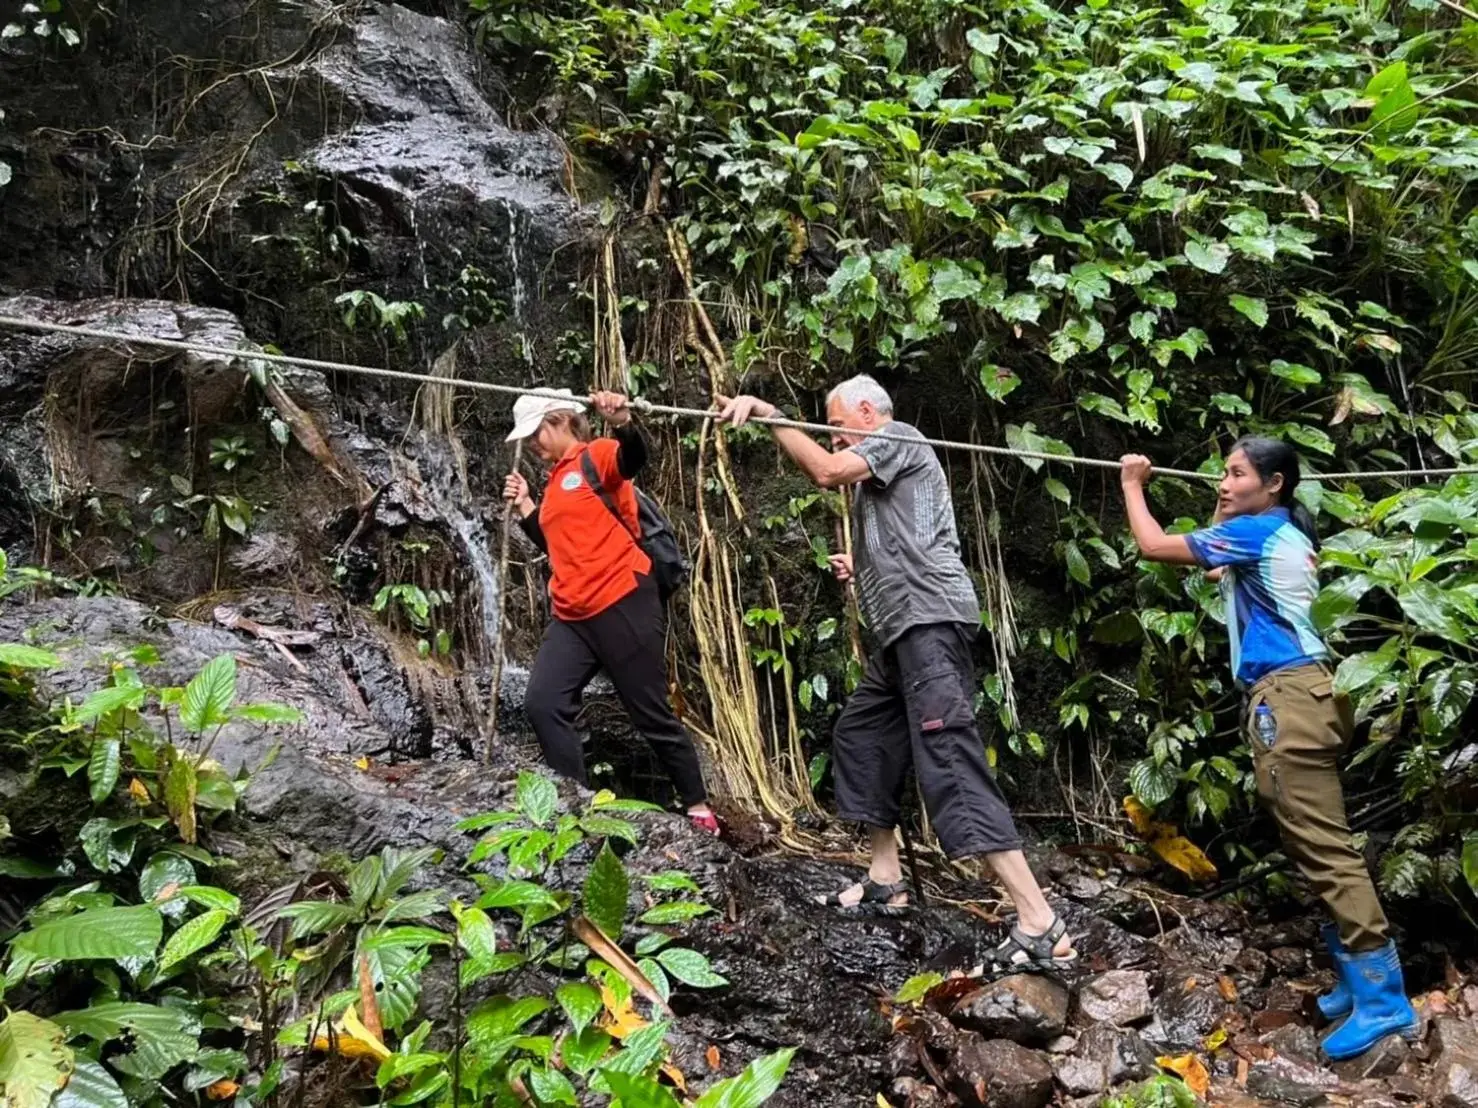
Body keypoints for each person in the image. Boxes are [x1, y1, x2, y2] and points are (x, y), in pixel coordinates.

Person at [718, 375, 1077, 969]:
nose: (835, 439)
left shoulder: (897, 436)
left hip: (930, 625)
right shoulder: (880, 477)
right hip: (902, 636)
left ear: (864, 411)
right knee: (861, 735)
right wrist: (862, 566)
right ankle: (887, 876)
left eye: (836, 425)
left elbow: (827, 473)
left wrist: (770, 413)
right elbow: (911, 538)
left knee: (950, 762)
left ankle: (1039, 920)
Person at [1120, 437, 1419, 1061]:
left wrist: (1131, 483)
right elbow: (1216, 562)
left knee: (1325, 847)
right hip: (1306, 694)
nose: (1223, 485)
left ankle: (1384, 998)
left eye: (1236, 475)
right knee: (1314, 838)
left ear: (1275, 483)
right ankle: (1358, 980)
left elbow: (1154, 547)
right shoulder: (1277, 535)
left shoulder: (1258, 537)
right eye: (1222, 474)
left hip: (1289, 697)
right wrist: (1228, 513)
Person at [503, 388, 719, 836]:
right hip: (573, 615)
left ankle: (698, 806)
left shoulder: (594, 457)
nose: (534, 444)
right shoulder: (554, 482)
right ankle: (575, 806)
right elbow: (558, 550)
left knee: (649, 711)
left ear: (560, 420)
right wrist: (527, 506)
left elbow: (634, 456)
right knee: (543, 703)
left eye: (537, 433)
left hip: (621, 599)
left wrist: (621, 421)